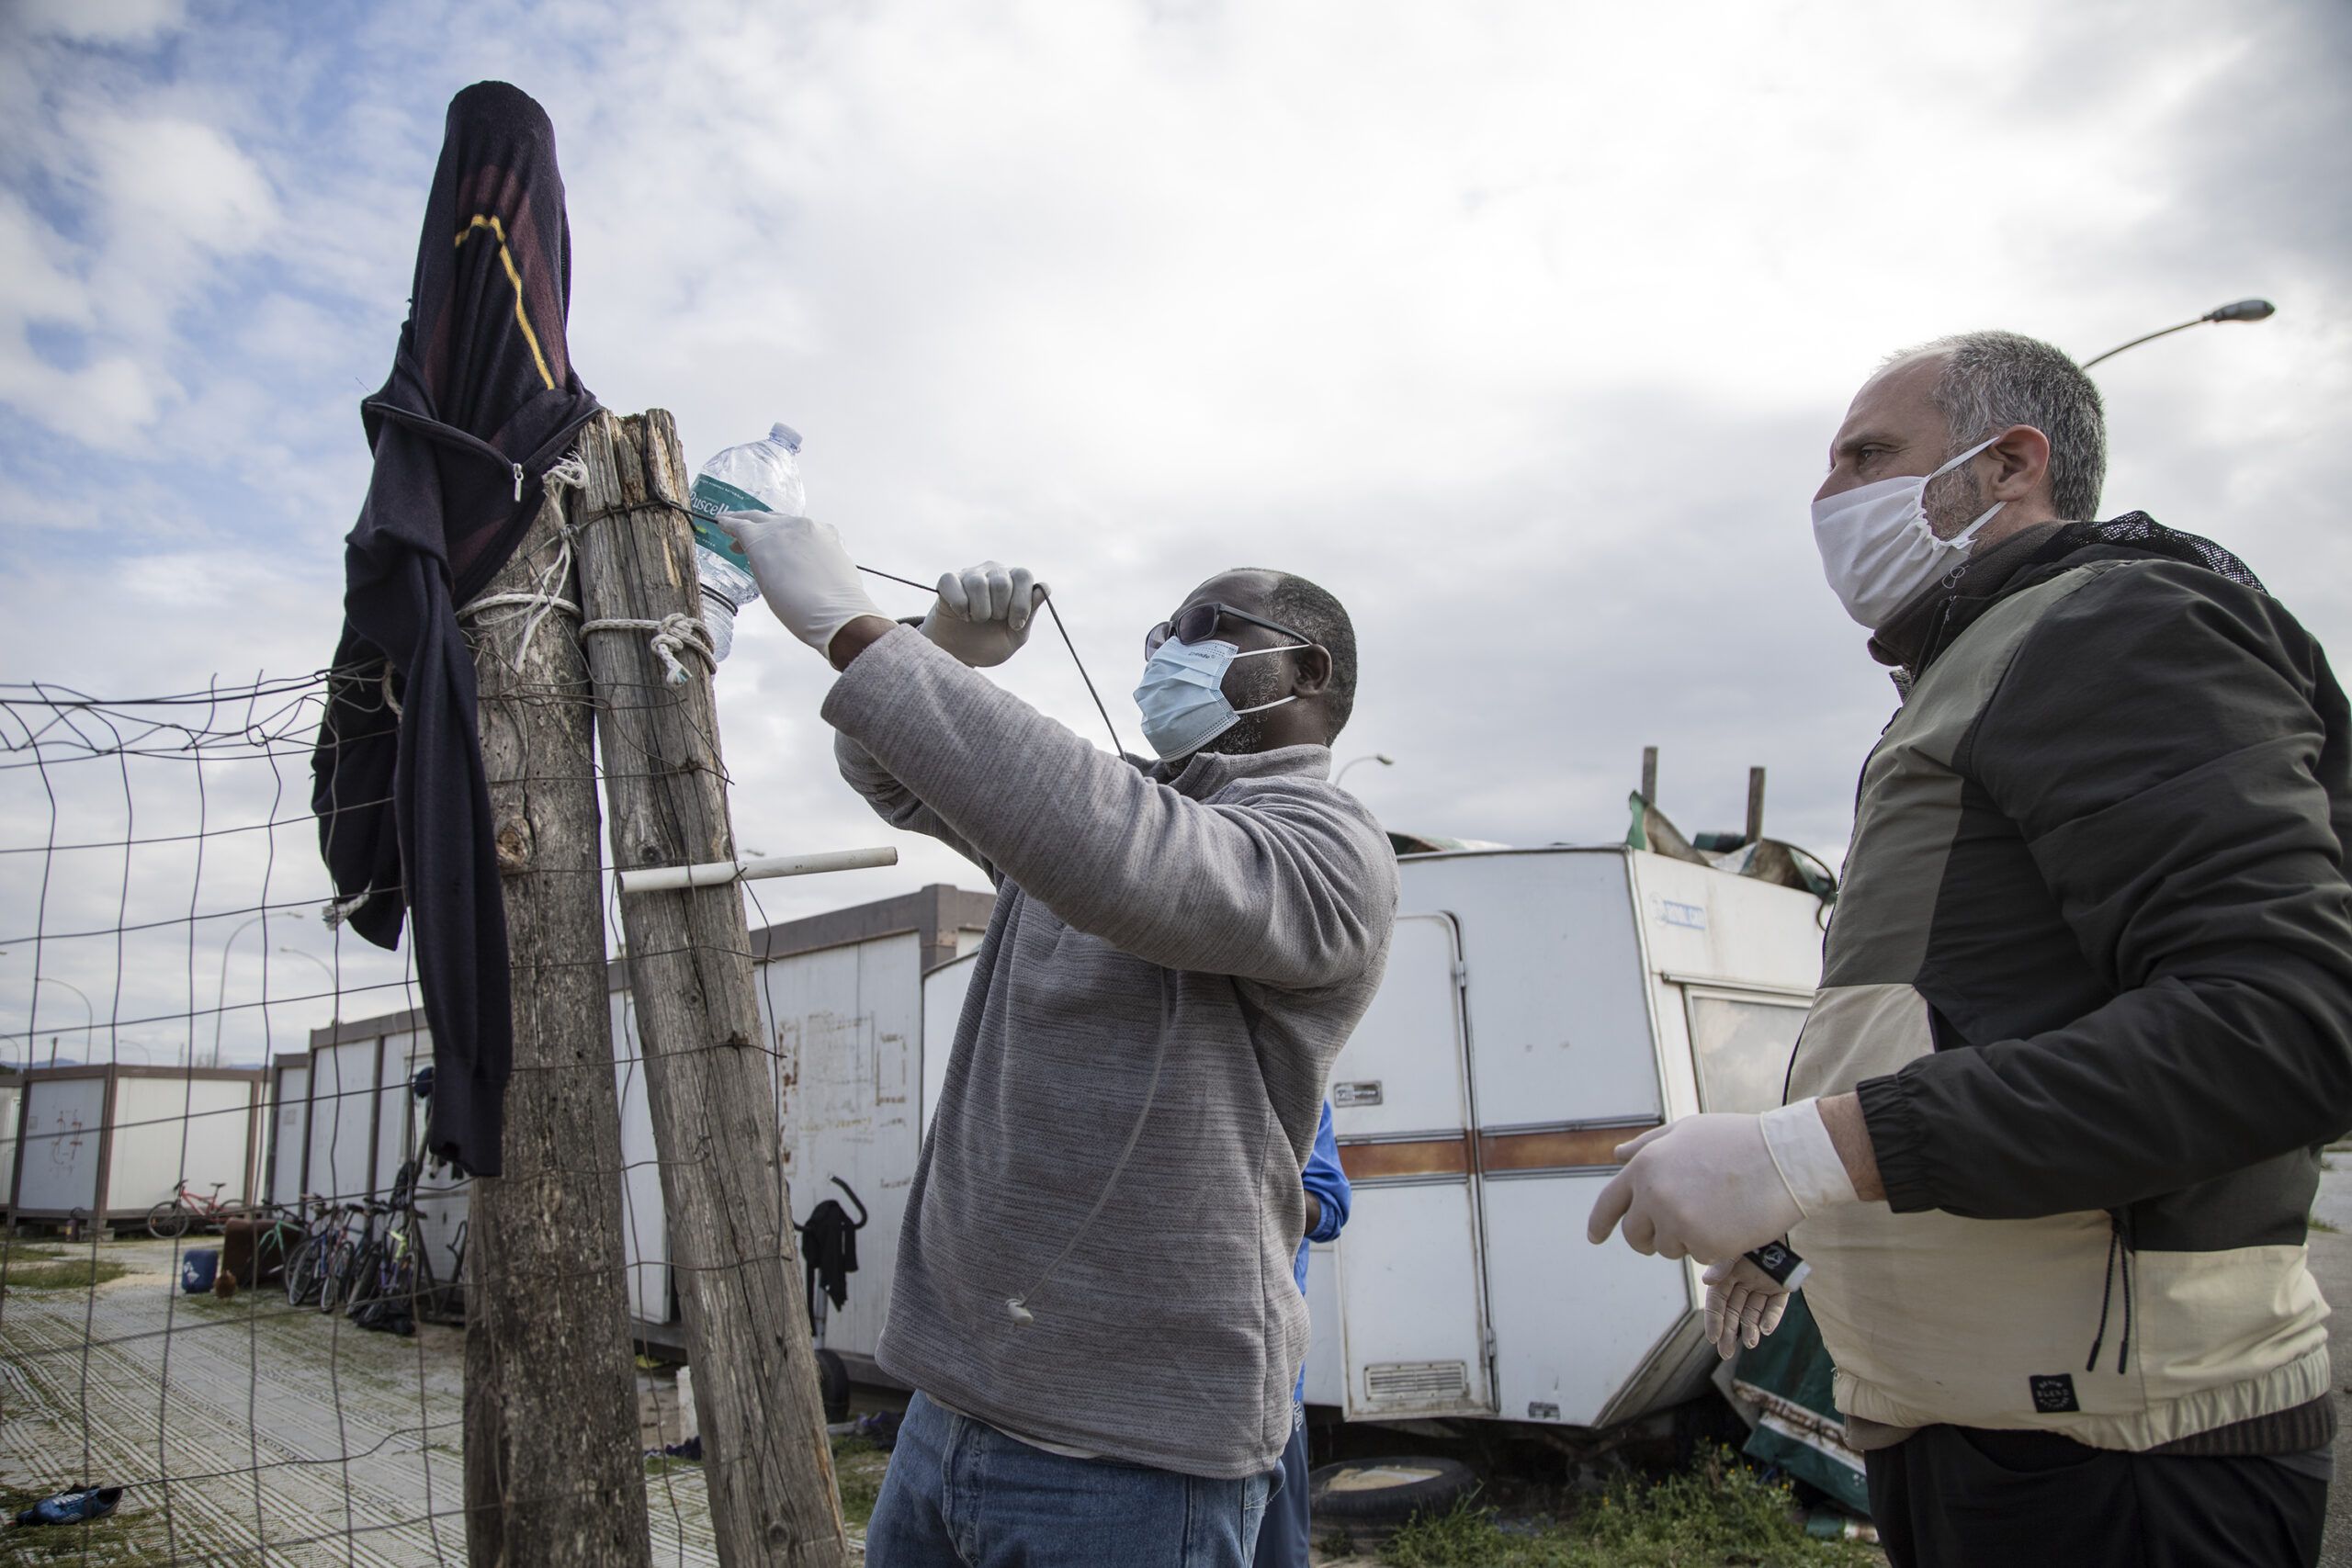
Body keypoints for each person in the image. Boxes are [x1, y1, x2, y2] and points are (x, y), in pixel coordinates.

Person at [1587, 330, 2352, 1566]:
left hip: (2123, 1465)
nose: (1830, 496)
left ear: (2010, 463)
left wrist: (1811, 1149)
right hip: (1989, 1433)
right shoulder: (1976, 668)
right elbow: (1962, 1012)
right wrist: (1791, 1224)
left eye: (1869, 455)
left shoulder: (2115, 627)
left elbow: (2284, 1023)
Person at [722, 524, 1398, 1567]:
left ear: (1306, 671)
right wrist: (932, 646)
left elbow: (1128, 854)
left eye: (1202, 630)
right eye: (1156, 633)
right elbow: (902, 777)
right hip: (951, 1407)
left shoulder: (1324, 847)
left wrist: (859, 636)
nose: (1163, 653)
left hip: (1133, 1458)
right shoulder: (1111, 820)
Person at [1257, 1101, 1350, 1568]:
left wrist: (1255, 1180)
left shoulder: (1298, 1084)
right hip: (1165, 1386)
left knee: (1276, 1555)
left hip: (1271, 1378)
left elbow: (1331, 1208)